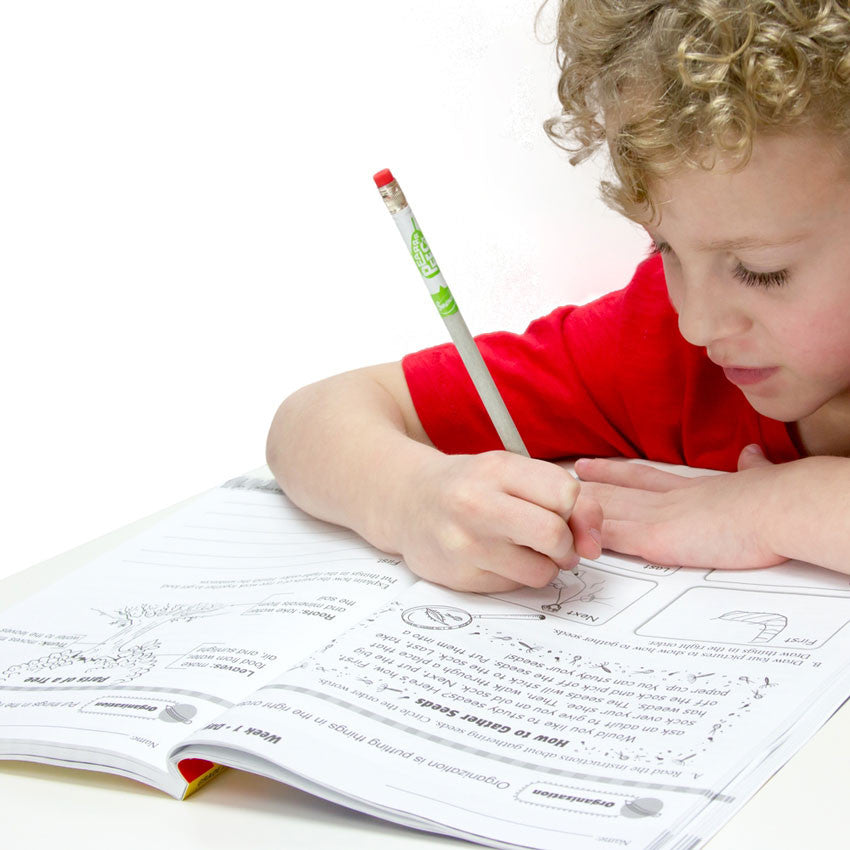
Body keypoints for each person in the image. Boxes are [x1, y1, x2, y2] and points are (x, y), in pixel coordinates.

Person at [266, 0, 850, 592]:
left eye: (760, 270)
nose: (696, 323)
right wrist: (410, 498)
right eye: (663, 248)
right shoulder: (659, 350)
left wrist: (782, 507)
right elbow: (312, 420)